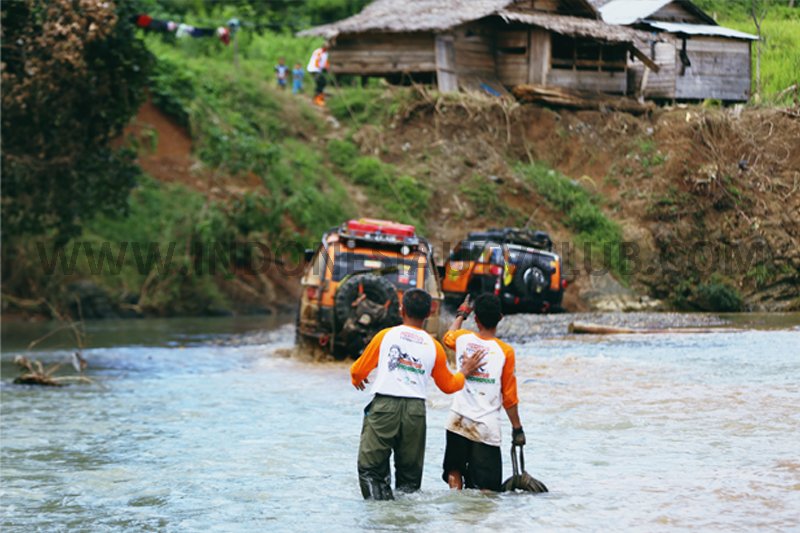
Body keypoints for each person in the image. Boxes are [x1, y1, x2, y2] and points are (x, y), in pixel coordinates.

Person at [351, 289, 486, 500]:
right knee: (409, 481)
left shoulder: (386, 336)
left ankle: (380, 515)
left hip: (385, 407)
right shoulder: (434, 346)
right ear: (429, 314)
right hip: (415, 413)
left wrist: (357, 379)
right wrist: (464, 371)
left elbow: (358, 371)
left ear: (401, 310)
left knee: (370, 470)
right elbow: (449, 386)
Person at [440, 294, 525, 492]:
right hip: (486, 427)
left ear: (476, 319)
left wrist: (461, 315)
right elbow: (509, 398)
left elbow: (447, 337)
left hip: (457, 419)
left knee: (454, 471)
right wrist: (517, 428)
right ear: (500, 318)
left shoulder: (462, 339)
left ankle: (455, 502)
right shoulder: (505, 352)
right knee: (487, 488)